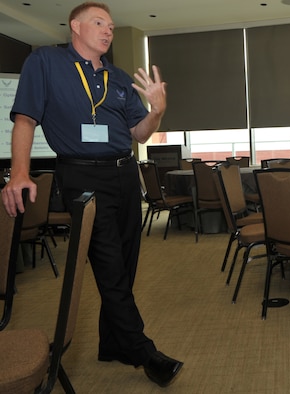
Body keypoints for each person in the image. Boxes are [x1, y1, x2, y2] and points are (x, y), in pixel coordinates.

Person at [1, 2, 183, 387]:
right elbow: (25, 119)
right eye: (99, 23)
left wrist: (157, 111)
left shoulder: (118, 77)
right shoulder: (46, 63)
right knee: (109, 265)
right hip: (81, 175)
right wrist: (18, 173)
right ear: (75, 26)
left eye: (112, 26)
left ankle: (111, 343)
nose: (108, 30)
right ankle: (143, 351)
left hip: (124, 174)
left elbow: (139, 134)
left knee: (126, 263)